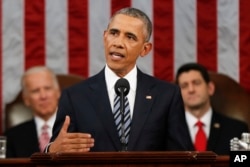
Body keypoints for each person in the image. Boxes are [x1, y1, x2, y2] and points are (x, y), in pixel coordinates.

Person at [46, 7, 193, 153]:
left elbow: (182, 156)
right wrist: (51, 151)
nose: (118, 43)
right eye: (114, 33)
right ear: (105, 37)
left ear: (145, 49)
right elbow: (58, 149)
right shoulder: (74, 97)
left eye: (130, 37)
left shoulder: (167, 96)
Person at [175, 62, 249, 155]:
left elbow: (243, 163)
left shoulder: (238, 130)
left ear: (210, 88)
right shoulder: (166, 132)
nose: (191, 90)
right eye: (184, 86)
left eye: (196, 83)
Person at [4, 66, 61, 157]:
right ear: (26, 99)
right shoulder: (12, 137)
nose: (43, 96)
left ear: (58, 92)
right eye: (35, 91)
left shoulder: (77, 130)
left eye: (47, 88)